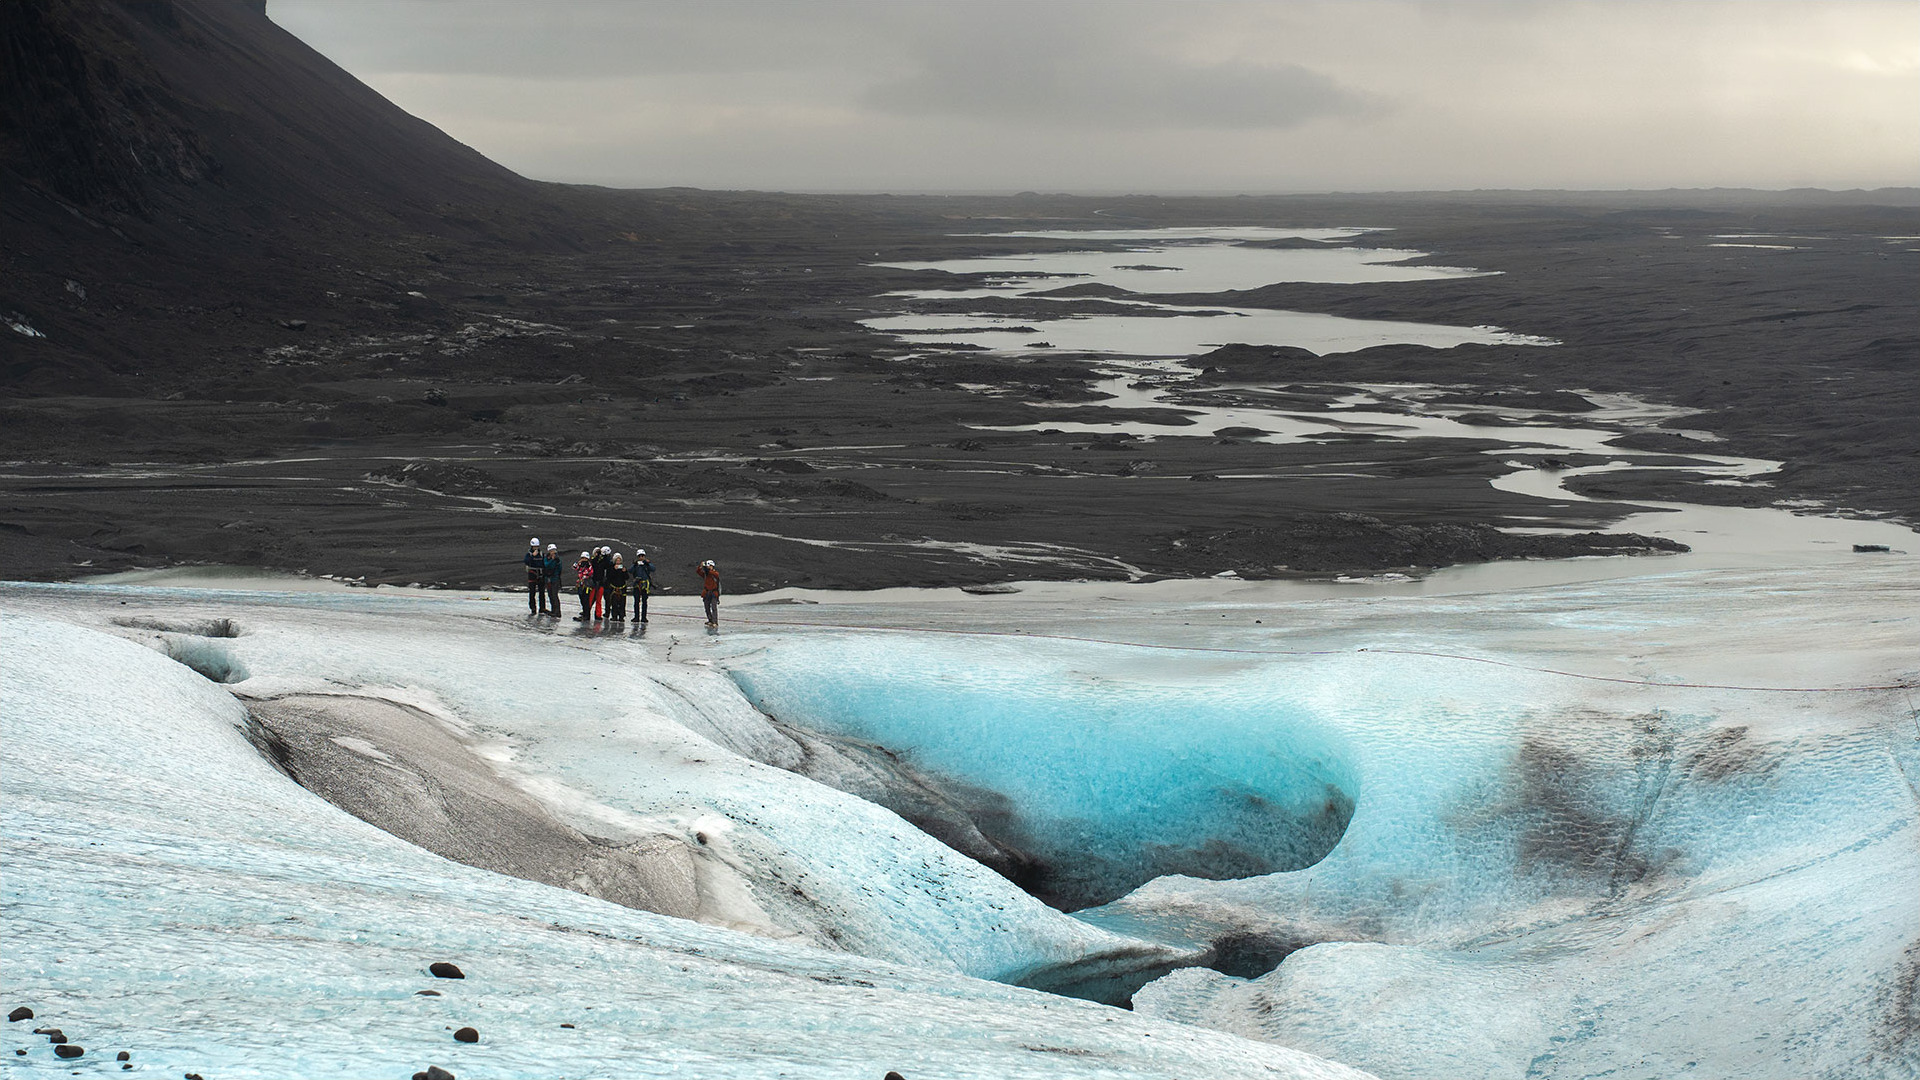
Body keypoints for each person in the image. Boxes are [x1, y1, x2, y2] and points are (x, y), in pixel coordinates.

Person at [523, 538, 546, 615]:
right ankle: (533, 608)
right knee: (532, 592)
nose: (536, 548)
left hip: (540, 574)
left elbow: (544, 563)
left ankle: (542, 608)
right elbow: (526, 561)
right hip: (532, 574)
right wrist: (532, 556)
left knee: (542, 592)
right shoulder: (529, 554)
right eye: (534, 547)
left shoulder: (542, 554)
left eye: (537, 546)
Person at [630, 548, 654, 623]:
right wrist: (634, 564)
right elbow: (630, 571)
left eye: (642, 556)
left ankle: (644, 617)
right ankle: (636, 617)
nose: (641, 557)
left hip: (645, 585)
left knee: (644, 601)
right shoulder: (636, 565)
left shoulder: (647, 564)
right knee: (636, 601)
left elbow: (653, 569)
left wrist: (647, 563)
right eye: (640, 556)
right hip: (637, 584)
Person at [696, 559, 721, 627]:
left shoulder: (715, 573)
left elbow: (715, 574)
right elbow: (698, 572)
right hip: (706, 593)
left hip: (714, 593)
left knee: (714, 607)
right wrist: (700, 567)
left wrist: (708, 570)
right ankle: (710, 620)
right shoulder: (705, 574)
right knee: (706, 607)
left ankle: (715, 622)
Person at [606, 553, 630, 621]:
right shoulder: (611, 568)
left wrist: (624, 572)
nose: (618, 561)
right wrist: (614, 570)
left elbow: (627, 577)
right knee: (614, 603)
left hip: (622, 587)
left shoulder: (623, 568)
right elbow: (609, 577)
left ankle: (621, 616)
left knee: (622, 603)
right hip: (614, 587)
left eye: (619, 560)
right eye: (617, 560)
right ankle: (614, 616)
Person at [590, 546, 611, 620]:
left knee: (598, 599)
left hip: (601, 582)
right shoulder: (595, 561)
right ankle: (587, 612)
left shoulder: (605, 561)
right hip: (595, 582)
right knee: (592, 599)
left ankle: (598, 614)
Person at [542, 543, 563, 616]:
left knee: (554, 595)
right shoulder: (546, 558)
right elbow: (546, 565)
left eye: (554, 550)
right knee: (550, 595)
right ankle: (553, 610)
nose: (553, 552)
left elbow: (559, 568)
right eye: (551, 550)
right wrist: (552, 560)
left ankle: (557, 612)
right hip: (548, 579)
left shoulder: (557, 559)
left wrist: (555, 561)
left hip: (555, 579)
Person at [573, 550, 594, 621]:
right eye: (583, 558)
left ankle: (586, 615)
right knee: (581, 598)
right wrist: (579, 563)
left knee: (586, 599)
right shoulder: (580, 564)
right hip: (580, 584)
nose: (584, 560)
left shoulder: (589, 565)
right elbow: (574, 567)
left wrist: (584, 576)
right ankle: (584, 613)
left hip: (587, 584)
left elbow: (590, 573)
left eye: (585, 558)